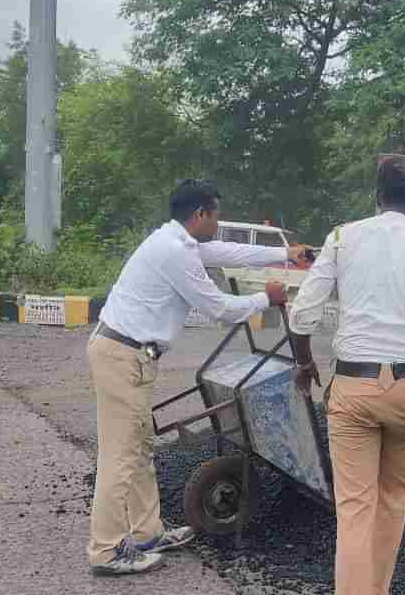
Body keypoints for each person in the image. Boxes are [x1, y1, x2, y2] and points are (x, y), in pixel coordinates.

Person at [87, 179, 309, 576]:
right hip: (124, 356)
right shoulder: (175, 251)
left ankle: (147, 532)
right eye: (216, 214)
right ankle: (105, 550)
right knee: (120, 457)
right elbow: (219, 309)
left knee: (138, 451)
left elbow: (226, 251)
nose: (218, 223)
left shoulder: (177, 241)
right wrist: (267, 298)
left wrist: (284, 254)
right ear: (200, 215)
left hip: (128, 354)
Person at [288, 155, 405, 595]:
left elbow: (302, 316)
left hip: (351, 389)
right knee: (393, 500)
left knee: (354, 507)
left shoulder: (342, 237)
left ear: (377, 198)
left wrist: (304, 362)